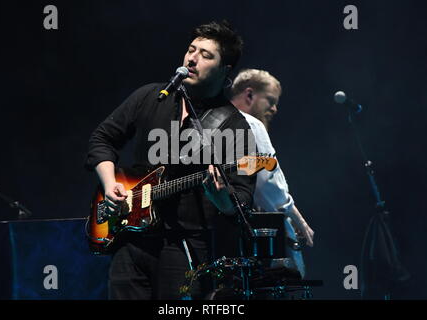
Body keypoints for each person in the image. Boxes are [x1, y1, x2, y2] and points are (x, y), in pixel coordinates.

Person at [85, 21, 256, 299]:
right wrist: (108, 185)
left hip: (184, 247)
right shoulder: (151, 97)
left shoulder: (234, 126)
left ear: (225, 70)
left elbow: (241, 199)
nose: (192, 58)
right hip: (130, 241)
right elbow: (102, 139)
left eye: (206, 55)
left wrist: (221, 197)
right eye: (191, 49)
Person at [229, 68, 314, 277]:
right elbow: (268, 183)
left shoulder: (208, 121)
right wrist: (294, 219)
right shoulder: (250, 124)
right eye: (270, 100)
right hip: (257, 243)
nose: (275, 109)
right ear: (249, 94)